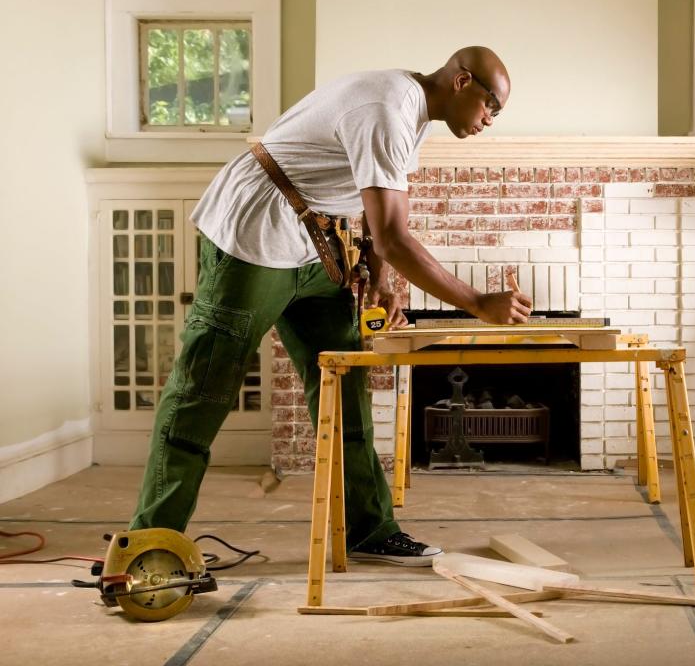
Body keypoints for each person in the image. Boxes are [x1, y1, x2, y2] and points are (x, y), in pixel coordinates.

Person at [128, 46, 533, 566]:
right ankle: (148, 545)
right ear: (461, 82)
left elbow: (373, 214)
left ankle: (368, 528)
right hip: (253, 232)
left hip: (311, 243)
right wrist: (478, 301)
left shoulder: (413, 114)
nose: (489, 120)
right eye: (491, 105)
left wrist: (383, 281)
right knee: (203, 388)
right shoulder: (387, 108)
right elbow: (391, 235)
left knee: (343, 380)